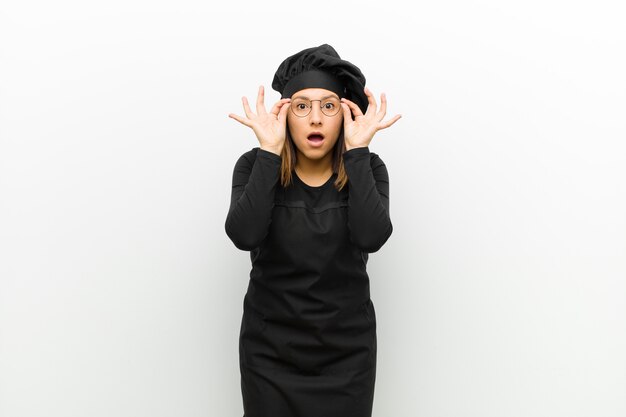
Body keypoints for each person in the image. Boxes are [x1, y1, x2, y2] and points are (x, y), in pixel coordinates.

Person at [225, 44, 401, 417]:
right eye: (302, 106)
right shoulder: (254, 164)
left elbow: (372, 236)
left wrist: (358, 152)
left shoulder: (368, 169)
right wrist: (270, 153)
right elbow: (244, 236)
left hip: (347, 357)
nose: (316, 119)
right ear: (286, 113)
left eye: (328, 106)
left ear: (345, 113)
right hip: (269, 355)